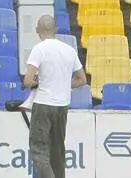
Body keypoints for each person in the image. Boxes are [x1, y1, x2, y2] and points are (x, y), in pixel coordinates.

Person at [22, 14, 86, 178]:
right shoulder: (69, 50)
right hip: (62, 106)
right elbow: (82, 80)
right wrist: (62, 83)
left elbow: (28, 80)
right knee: (58, 152)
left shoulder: (39, 49)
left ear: (37, 30)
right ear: (56, 29)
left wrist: (37, 83)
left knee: (39, 149)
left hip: (43, 104)